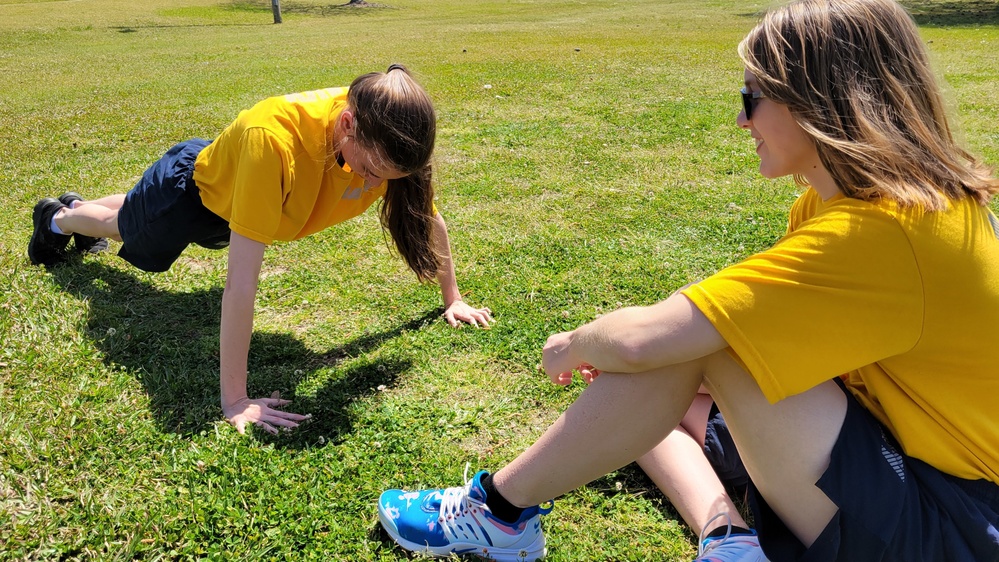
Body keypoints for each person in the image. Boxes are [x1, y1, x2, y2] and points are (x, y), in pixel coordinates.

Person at [376, 0, 999, 560]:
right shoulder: (880, 204)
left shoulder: (886, 231)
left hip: (952, 522)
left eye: (753, 97)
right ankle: (728, 535)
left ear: (818, 103)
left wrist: (571, 343)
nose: (740, 119)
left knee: (693, 341)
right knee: (671, 372)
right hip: (894, 442)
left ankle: (499, 512)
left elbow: (651, 338)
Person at [27, 64, 494, 436]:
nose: (371, 184)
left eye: (384, 178)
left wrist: (452, 298)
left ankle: (79, 208)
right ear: (347, 124)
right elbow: (241, 286)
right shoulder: (272, 141)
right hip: (193, 197)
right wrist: (236, 400)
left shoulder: (384, 125)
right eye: (370, 170)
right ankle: (59, 217)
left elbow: (428, 218)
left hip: (238, 187)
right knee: (121, 227)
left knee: (127, 211)